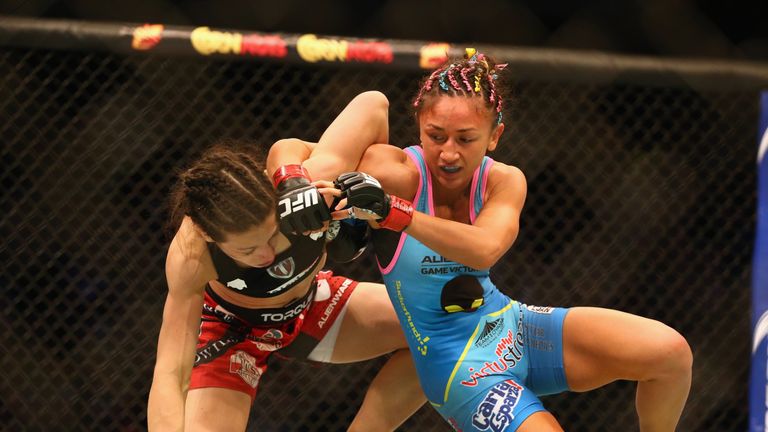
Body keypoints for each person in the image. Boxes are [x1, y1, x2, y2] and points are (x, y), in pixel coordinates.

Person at [310, 50, 693, 431]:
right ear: (419, 125)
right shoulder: (394, 173)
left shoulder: (504, 181)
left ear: (494, 136)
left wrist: (396, 214)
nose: (448, 153)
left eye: (465, 139)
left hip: (511, 324)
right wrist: (300, 179)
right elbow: (311, 144)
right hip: (456, 363)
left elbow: (485, 248)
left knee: (669, 353)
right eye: (436, 135)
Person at [146, 91, 425, 432]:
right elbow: (171, 374)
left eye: (272, 235)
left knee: (436, 331)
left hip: (309, 305)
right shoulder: (191, 256)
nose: (265, 255)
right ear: (208, 235)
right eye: (247, 252)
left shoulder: (301, 188)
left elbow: (374, 103)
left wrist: (327, 188)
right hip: (233, 332)